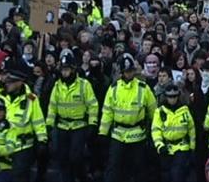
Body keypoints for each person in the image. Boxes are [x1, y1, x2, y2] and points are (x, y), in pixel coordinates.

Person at [99, 53, 157, 182]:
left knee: (139, 170)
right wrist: (103, 133)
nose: (129, 74)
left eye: (131, 71)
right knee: (113, 168)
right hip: (118, 135)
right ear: (121, 72)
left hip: (138, 135)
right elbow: (107, 112)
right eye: (126, 72)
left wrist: (154, 134)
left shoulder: (143, 88)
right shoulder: (114, 89)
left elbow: (153, 112)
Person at [46, 53, 98, 182]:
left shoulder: (84, 85)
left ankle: (82, 176)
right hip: (62, 126)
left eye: (67, 69)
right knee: (62, 158)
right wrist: (49, 124)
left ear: (73, 69)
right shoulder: (58, 86)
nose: (64, 73)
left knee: (75, 157)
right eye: (63, 69)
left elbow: (92, 105)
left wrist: (92, 123)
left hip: (78, 126)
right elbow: (52, 107)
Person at [0, 64, 47, 182]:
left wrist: (42, 140)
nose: (7, 84)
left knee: (20, 177)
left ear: (19, 82)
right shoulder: (0, 96)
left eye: (10, 82)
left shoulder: (31, 99)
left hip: (22, 147)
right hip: (2, 145)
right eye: (7, 82)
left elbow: (38, 121)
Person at [151, 83, 195, 182]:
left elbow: (191, 130)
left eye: (175, 96)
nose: (172, 99)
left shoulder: (184, 111)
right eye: (170, 97)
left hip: (182, 147)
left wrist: (192, 148)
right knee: (166, 176)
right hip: (166, 148)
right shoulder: (160, 111)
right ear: (166, 97)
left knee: (177, 174)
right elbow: (156, 130)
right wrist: (159, 145)